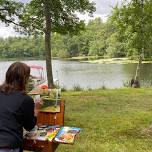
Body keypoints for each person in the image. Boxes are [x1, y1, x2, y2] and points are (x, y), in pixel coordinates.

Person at [0, 62, 41, 152]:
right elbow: (29, 126)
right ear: (24, 79)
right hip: (9, 146)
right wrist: (36, 110)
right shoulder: (25, 99)